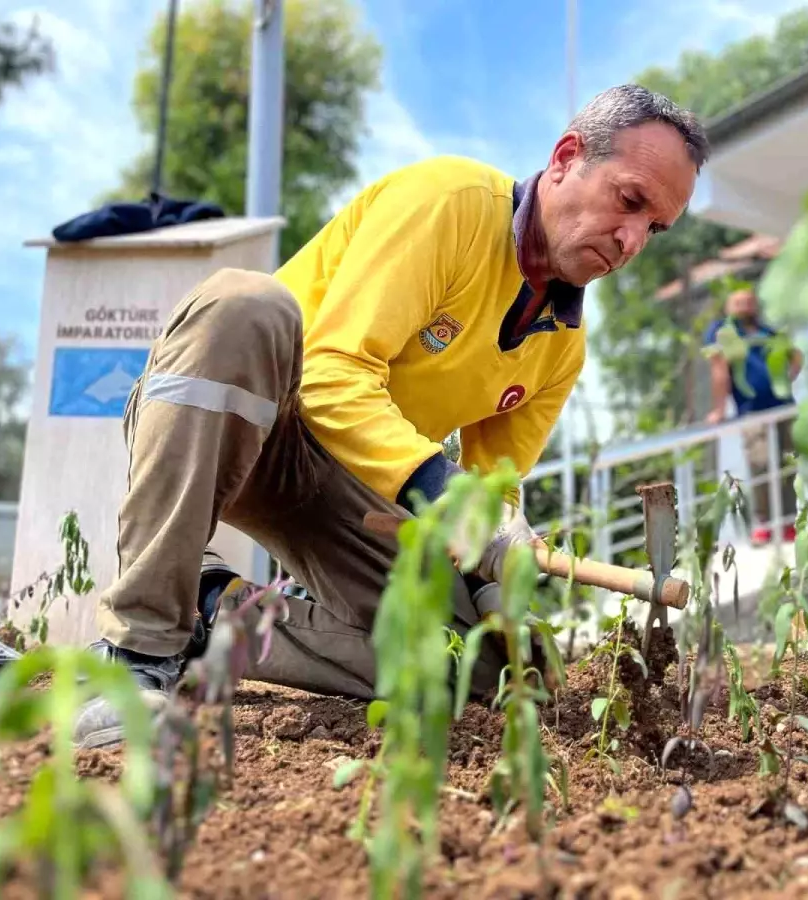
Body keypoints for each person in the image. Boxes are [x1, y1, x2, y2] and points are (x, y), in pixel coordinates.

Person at [73, 84, 709, 749]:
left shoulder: (560, 348)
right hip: (245, 413)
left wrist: (505, 613)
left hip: (353, 484)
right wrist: (444, 492)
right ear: (566, 157)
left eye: (655, 228)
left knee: (477, 673)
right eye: (629, 201)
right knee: (246, 304)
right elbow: (328, 374)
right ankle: (138, 651)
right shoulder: (450, 206)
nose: (632, 238)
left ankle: (218, 616)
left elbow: (490, 496)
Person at [703, 287, 803, 546]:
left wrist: (785, 378)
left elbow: (796, 356)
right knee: (761, 464)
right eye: (738, 302)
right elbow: (719, 371)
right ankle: (764, 523)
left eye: (749, 302)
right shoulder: (721, 332)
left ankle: (788, 522)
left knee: (787, 464)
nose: (745, 306)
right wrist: (719, 409)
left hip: (782, 405)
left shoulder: (768, 332)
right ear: (728, 307)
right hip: (751, 410)